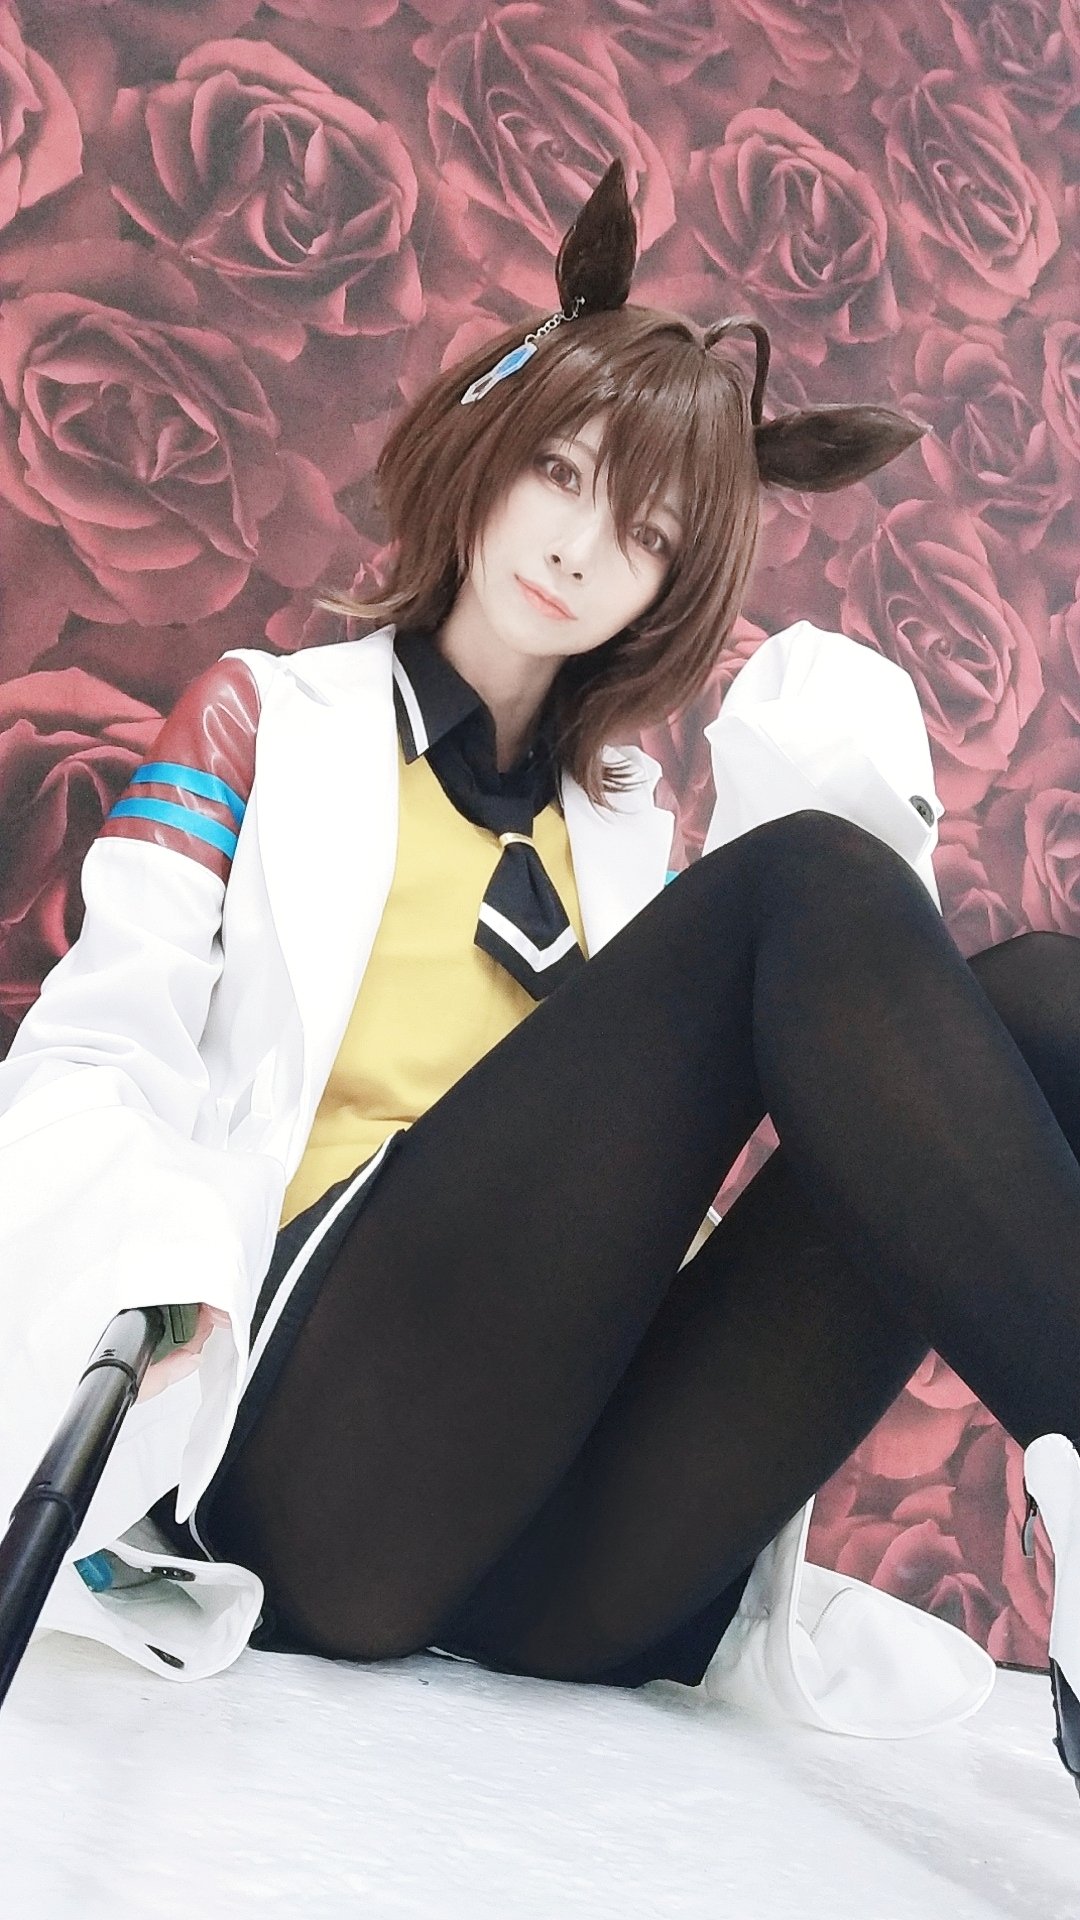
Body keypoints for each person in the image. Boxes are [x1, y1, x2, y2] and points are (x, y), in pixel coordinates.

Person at [0, 161, 1078, 1787]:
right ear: (490, 444)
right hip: (329, 1473)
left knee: (1047, 1001)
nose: (578, 548)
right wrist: (142, 1261)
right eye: (561, 472)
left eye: (643, 534)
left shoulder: (631, 834)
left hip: (562, 1554)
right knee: (804, 885)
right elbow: (96, 1055)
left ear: (671, 588)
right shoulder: (262, 721)